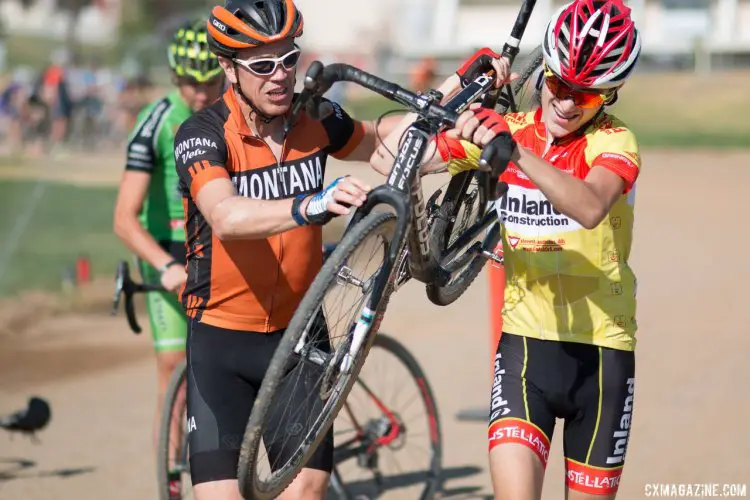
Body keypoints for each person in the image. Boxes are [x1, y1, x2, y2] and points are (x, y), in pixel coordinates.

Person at [373, 1, 642, 499]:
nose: (564, 104)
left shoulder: (614, 142)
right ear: (544, 72)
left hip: (602, 356)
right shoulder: (509, 130)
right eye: (558, 84)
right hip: (524, 351)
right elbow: (388, 153)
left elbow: (588, 205)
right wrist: (457, 88)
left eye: (583, 96)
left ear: (609, 95)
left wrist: (516, 155)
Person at [175, 1, 402, 499]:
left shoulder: (313, 116)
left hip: (301, 335)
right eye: (261, 65)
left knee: (306, 490)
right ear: (229, 68)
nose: (280, 76)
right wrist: (311, 204)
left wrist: (456, 108)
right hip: (222, 342)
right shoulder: (203, 134)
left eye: (289, 59)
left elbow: (385, 142)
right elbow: (226, 216)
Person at [112, 18, 225, 492]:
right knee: (172, 365)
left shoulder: (231, 114)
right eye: (190, 83)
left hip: (215, 247)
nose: (200, 94)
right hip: (166, 252)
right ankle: (172, 482)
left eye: (210, 82)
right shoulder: (156, 121)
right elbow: (123, 218)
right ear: (175, 77)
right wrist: (164, 267)